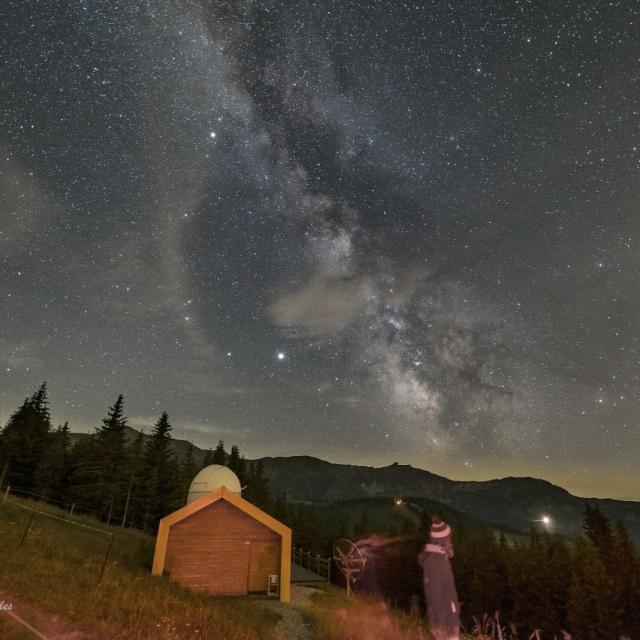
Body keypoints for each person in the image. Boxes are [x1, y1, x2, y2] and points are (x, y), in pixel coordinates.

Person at [417, 516, 460, 640]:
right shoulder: (437, 562)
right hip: (445, 625)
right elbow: (436, 597)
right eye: (449, 538)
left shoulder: (437, 557)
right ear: (442, 541)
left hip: (442, 621)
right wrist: (449, 625)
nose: (451, 541)